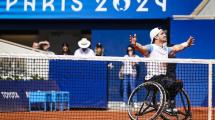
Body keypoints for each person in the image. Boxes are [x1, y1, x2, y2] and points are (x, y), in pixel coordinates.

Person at [130, 27, 194, 112]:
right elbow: (142, 48)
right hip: (151, 80)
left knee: (178, 84)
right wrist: (135, 45)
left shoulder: (166, 49)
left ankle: (168, 102)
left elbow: (176, 47)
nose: (164, 34)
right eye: (162, 33)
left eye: (164, 33)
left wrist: (187, 43)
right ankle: (161, 102)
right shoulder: (151, 47)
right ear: (156, 37)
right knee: (168, 81)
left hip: (162, 79)